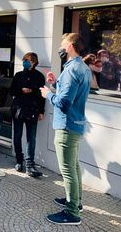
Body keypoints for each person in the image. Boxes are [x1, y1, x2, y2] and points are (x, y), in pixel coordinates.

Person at [40, 33, 91, 225]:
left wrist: (47, 94)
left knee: (68, 170)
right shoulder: (83, 68)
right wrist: (56, 83)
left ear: (70, 46)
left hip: (67, 126)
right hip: (76, 124)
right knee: (74, 166)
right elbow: (71, 94)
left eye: (62, 43)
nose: (60, 46)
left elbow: (63, 103)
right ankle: (75, 203)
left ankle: (72, 213)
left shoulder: (71, 70)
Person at [10, 52, 45, 178]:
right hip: (18, 109)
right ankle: (19, 160)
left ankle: (30, 164)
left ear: (34, 62)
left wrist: (41, 111)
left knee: (31, 138)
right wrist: (21, 90)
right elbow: (12, 91)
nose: (25, 61)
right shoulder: (18, 75)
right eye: (24, 59)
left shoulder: (39, 76)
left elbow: (42, 95)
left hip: (33, 109)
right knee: (17, 135)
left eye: (28, 60)